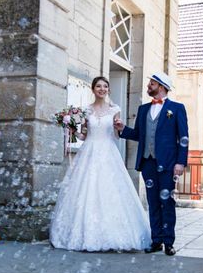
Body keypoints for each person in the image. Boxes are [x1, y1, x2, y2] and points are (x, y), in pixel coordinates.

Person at [50, 76, 150, 251]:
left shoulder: (115, 109)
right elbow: (84, 135)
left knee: (110, 190)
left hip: (108, 152)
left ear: (109, 90)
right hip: (89, 151)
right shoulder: (86, 110)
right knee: (85, 190)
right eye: (98, 86)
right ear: (93, 89)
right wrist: (73, 131)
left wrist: (120, 128)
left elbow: (117, 136)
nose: (102, 89)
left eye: (105, 86)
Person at [114, 72, 189, 256]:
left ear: (162, 87)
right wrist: (123, 129)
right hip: (148, 161)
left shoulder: (177, 108)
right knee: (153, 202)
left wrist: (181, 162)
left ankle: (169, 241)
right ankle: (156, 240)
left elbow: (183, 137)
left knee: (167, 201)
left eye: (152, 83)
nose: (149, 86)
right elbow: (139, 134)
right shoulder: (143, 109)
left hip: (168, 163)